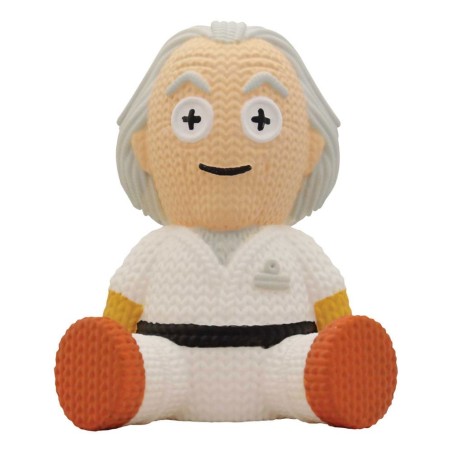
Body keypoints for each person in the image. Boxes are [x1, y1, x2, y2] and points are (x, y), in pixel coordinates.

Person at [55, 21, 397, 431]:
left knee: (306, 365)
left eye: (260, 119)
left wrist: (339, 339)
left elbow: (334, 312)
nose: (226, 142)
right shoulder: (157, 251)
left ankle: (335, 379)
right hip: (172, 365)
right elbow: (119, 314)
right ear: (144, 147)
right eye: (192, 118)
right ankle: (117, 381)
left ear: (310, 148)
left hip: (278, 365)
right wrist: (111, 339)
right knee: (147, 366)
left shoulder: (296, 251)